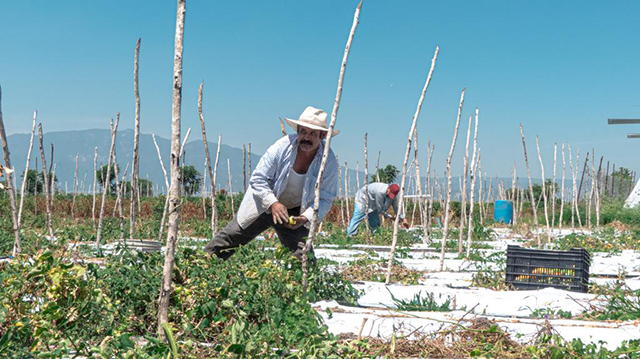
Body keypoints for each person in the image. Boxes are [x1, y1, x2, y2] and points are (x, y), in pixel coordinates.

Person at [204, 106, 339, 261]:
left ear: (322, 136)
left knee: (303, 255)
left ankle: (300, 283)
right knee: (230, 238)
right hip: (264, 202)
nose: (306, 137)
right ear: (298, 132)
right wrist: (273, 203)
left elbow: (325, 198)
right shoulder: (282, 147)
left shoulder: (328, 161)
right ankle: (197, 265)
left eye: (312, 133)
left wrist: (305, 218)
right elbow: (258, 179)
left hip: (295, 211)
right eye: (303, 131)